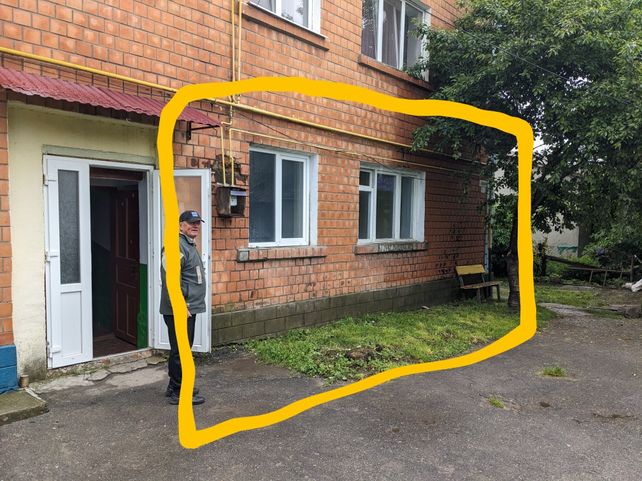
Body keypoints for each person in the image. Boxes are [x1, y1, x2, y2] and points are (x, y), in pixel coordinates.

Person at [160, 210, 207, 405]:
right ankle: (180, 392)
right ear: (180, 225)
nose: (195, 226)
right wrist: (180, 306)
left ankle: (174, 385)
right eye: (190, 223)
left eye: (197, 223)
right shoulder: (176, 245)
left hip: (188, 307)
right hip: (181, 309)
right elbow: (171, 279)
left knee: (181, 349)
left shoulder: (187, 244)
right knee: (181, 351)